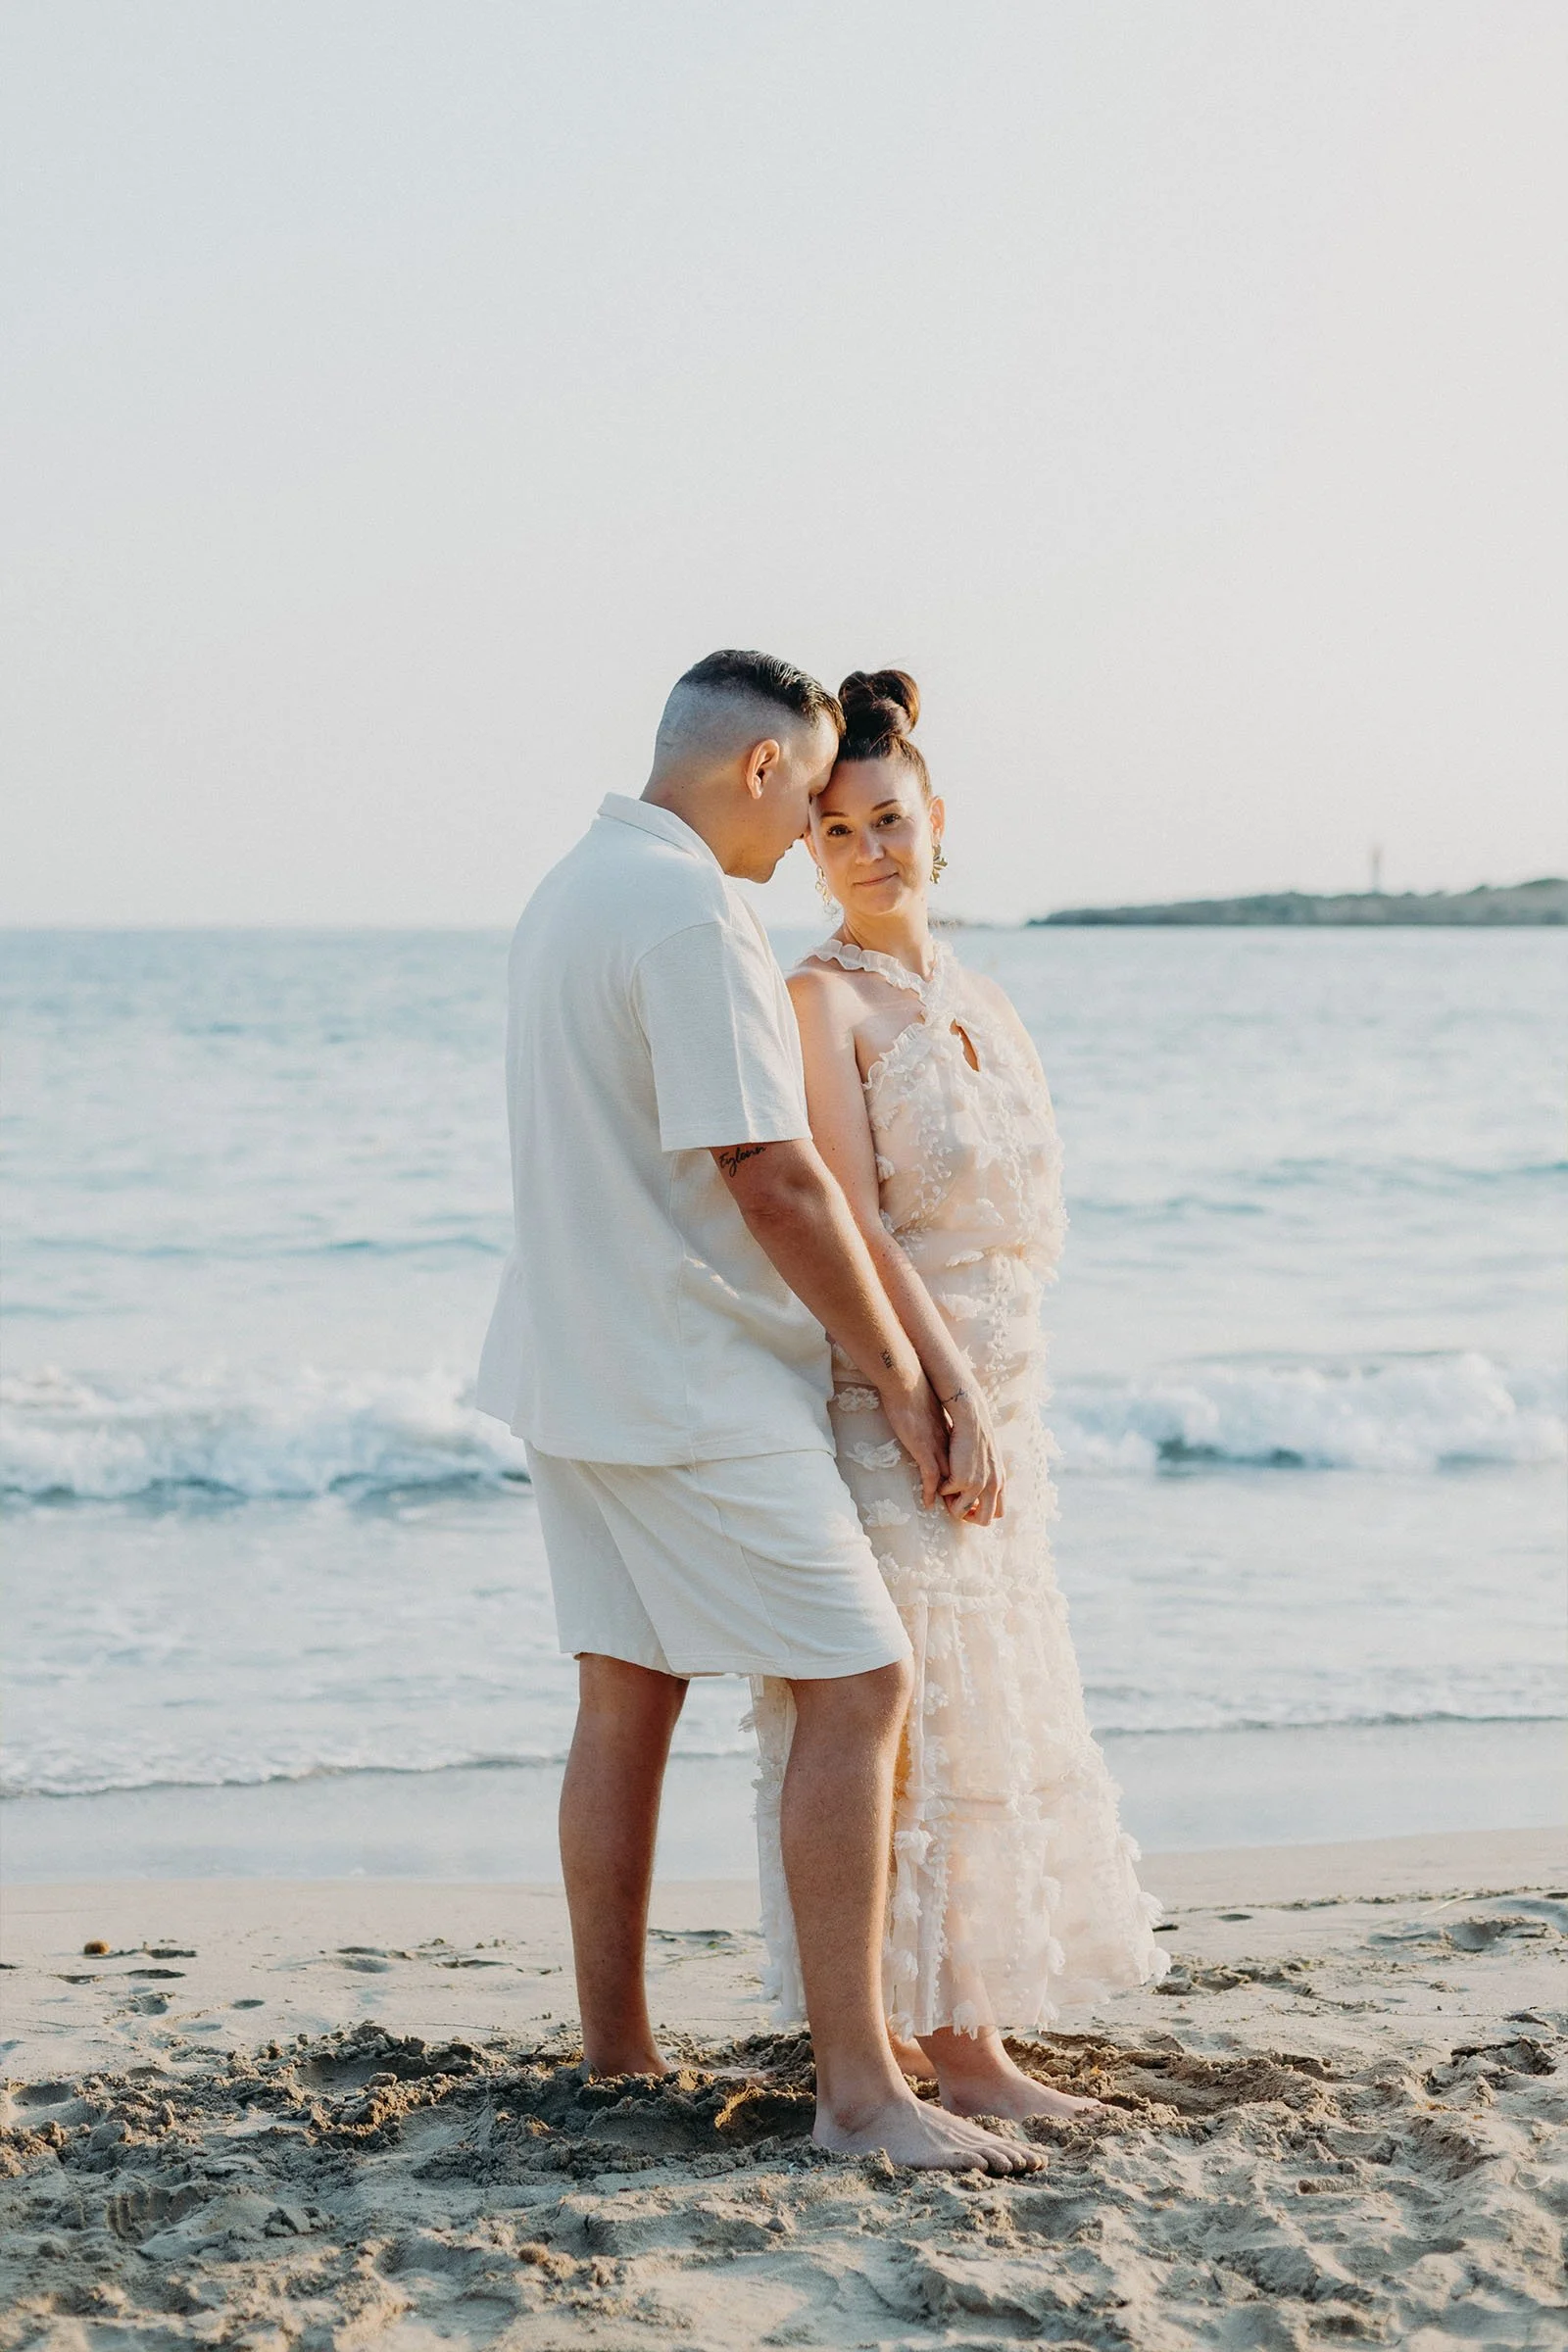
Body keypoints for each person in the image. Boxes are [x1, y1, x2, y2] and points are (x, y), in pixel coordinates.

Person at [476, 649, 1040, 2174]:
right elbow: (773, 1175)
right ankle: (860, 2093)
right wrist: (908, 1374)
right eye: (804, 811)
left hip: (565, 1370)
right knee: (860, 1683)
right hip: (687, 1382)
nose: (805, 850)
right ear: (768, 771)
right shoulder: (683, 910)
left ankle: (615, 2056)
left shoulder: (568, 888)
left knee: (628, 1693)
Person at [752, 667, 1168, 2122]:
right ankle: (924, 2056)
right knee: (912, 1717)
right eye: (840, 831)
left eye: (890, 820)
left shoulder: (988, 995)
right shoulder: (816, 1002)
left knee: (993, 1710)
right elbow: (856, 1222)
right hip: (899, 1397)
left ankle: (975, 2040)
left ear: (939, 823)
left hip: (1009, 1384)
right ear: (810, 850)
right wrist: (941, 1392)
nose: (871, 850)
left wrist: (1003, 1390)